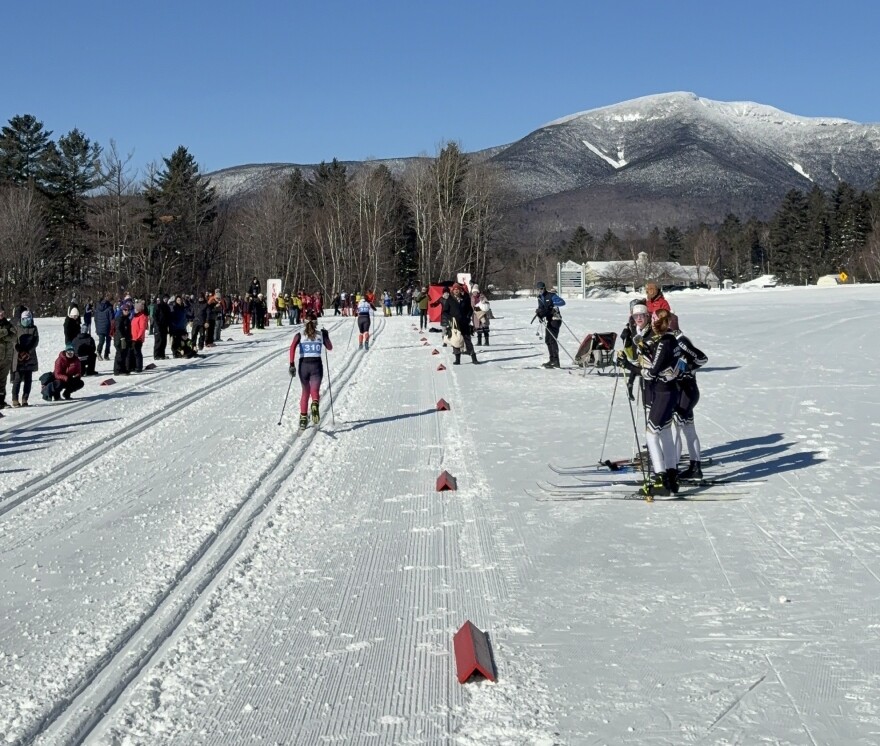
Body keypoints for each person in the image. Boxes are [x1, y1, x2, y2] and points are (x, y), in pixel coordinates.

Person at [637, 309, 681, 497]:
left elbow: (653, 370)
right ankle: (671, 476)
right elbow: (662, 360)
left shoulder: (664, 342)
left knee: (651, 434)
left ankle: (660, 478)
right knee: (664, 432)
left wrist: (631, 366)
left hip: (663, 393)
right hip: (669, 392)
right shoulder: (671, 340)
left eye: (653, 319)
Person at [671, 327, 708, 479]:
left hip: (686, 392)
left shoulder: (681, 342)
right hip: (685, 393)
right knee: (688, 430)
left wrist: (688, 369)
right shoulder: (674, 342)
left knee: (675, 430)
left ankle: (671, 468)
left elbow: (702, 358)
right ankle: (695, 467)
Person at [288, 312, 333, 430]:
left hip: (304, 365)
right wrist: (326, 336)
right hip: (316, 365)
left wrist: (291, 364)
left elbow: (292, 347)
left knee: (305, 392)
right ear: (316, 323)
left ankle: (303, 418)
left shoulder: (299, 335)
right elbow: (329, 347)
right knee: (315, 390)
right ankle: (315, 404)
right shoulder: (321, 334)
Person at [442, 283, 479, 365]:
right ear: (452, 290)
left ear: (460, 290)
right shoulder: (450, 300)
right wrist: (450, 318)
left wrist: (468, 316)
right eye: (455, 289)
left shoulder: (465, 299)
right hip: (455, 324)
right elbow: (445, 312)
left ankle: (473, 357)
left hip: (464, 323)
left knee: (467, 340)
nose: (456, 291)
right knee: (456, 340)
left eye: (458, 289)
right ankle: (457, 359)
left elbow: (470, 309)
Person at [12, 309, 39, 407]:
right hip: (19, 357)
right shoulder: (17, 328)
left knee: (28, 379)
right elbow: (14, 341)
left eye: (29, 319)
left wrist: (28, 351)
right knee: (17, 379)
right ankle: (15, 399)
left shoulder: (34, 328)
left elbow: (35, 341)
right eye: (25, 319)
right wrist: (21, 351)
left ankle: (25, 399)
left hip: (30, 357)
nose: (27, 321)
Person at [535, 281, 565, 368]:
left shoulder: (551, 295)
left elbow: (562, 302)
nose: (540, 291)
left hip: (555, 319)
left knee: (552, 340)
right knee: (547, 340)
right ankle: (552, 360)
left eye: (541, 289)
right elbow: (541, 309)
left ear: (544, 288)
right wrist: (539, 314)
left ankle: (556, 361)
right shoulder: (539, 298)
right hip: (549, 320)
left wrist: (553, 304)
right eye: (538, 289)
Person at [0, 308, 16, 408]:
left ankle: (1, 401)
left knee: (2, 381)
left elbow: (14, 336)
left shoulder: (8, 324)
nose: (1, 313)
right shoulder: (7, 327)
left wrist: (3, 336)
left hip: (7, 357)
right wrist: (6, 332)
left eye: (2, 311)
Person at [114, 303, 133, 375]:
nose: (127, 311)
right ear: (122, 310)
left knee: (125, 354)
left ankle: (124, 369)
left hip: (126, 338)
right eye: (125, 310)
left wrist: (129, 338)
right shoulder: (119, 318)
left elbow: (128, 330)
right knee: (119, 354)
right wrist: (122, 338)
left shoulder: (127, 319)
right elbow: (118, 329)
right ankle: (117, 370)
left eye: (128, 310)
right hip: (119, 339)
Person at [94, 293, 113, 361]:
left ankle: (99, 351)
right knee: (108, 341)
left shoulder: (97, 308)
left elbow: (95, 319)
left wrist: (97, 327)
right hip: (108, 327)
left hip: (99, 327)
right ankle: (106, 355)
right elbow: (112, 319)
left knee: (101, 341)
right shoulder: (110, 308)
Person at [131, 300, 149, 372]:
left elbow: (142, 328)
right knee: (133, 352)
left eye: (136, 309)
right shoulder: (135, 316)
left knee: (137, 352)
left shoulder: (142, 317)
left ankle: (139, 367)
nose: (135, 310)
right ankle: (134, 366)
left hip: (138, 338)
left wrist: (138, 337)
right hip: (133, 337)